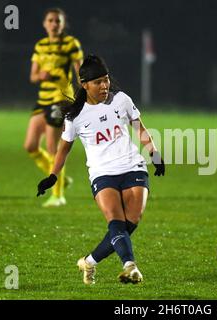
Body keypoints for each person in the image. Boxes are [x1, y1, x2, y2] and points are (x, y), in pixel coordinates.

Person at [36, 54, 165, 285]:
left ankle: (89, 262)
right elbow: (63, 149)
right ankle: (130, 267)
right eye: (98, 82)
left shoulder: (122, 100)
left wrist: (155, 154)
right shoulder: (74, 116)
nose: (104, 85)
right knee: (116, 222)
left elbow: (140, 129)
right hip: (102, 174)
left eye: (106, 80)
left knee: (130, 222)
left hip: (133, 167)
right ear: (84, 85)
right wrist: (53, 176)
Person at [24, 8, 84, 207]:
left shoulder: (70, 44)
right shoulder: (40, 46)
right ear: (44, 24)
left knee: (53, 148)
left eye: (57, 21)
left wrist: (83, 93)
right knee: (31, 146)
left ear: (62, 24)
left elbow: (79, 72)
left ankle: (58, 196)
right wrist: (41, 76)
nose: (54, 24)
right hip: (42, 100)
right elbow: (33, 76)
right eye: (50, 20)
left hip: (60, 100)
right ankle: (61, 179)